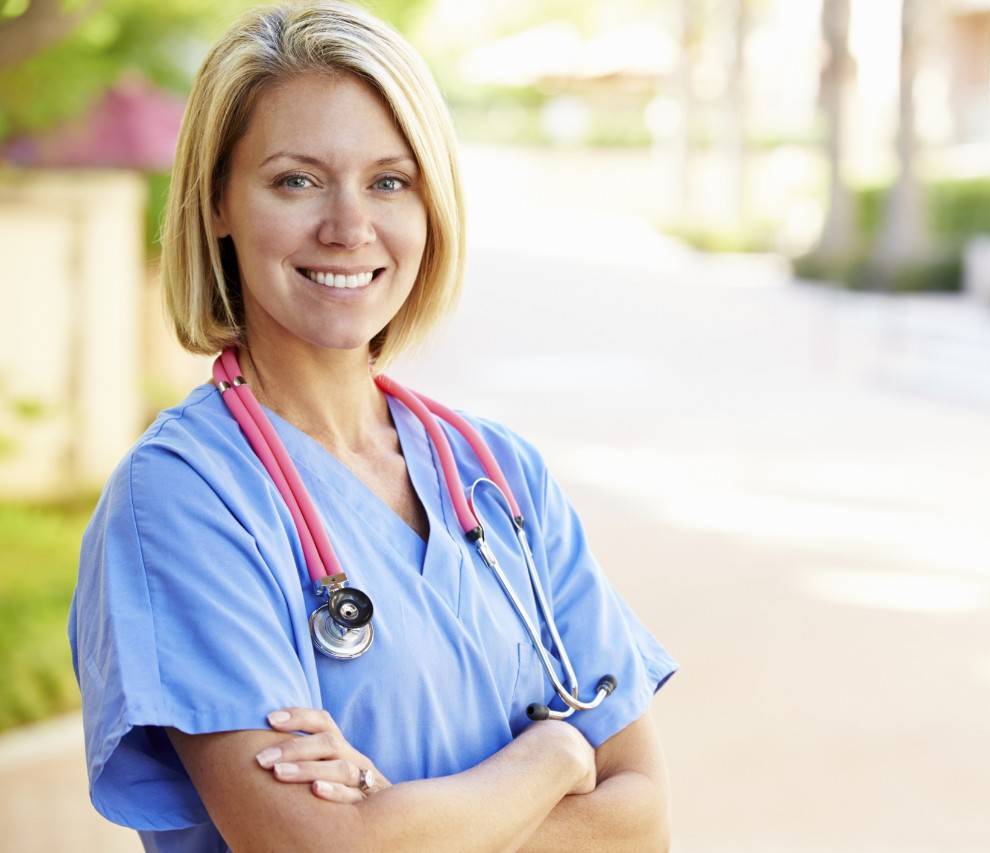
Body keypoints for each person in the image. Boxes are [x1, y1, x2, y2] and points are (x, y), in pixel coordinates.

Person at [67, 3, 678, 851]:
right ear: (216, 204)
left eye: (390, 181)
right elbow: (315, 846)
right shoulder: (181, 497)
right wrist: (557, 754)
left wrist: (398, 818)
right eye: (296, 180)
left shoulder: (499, 476)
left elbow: (641, 822)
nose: (350, 227)